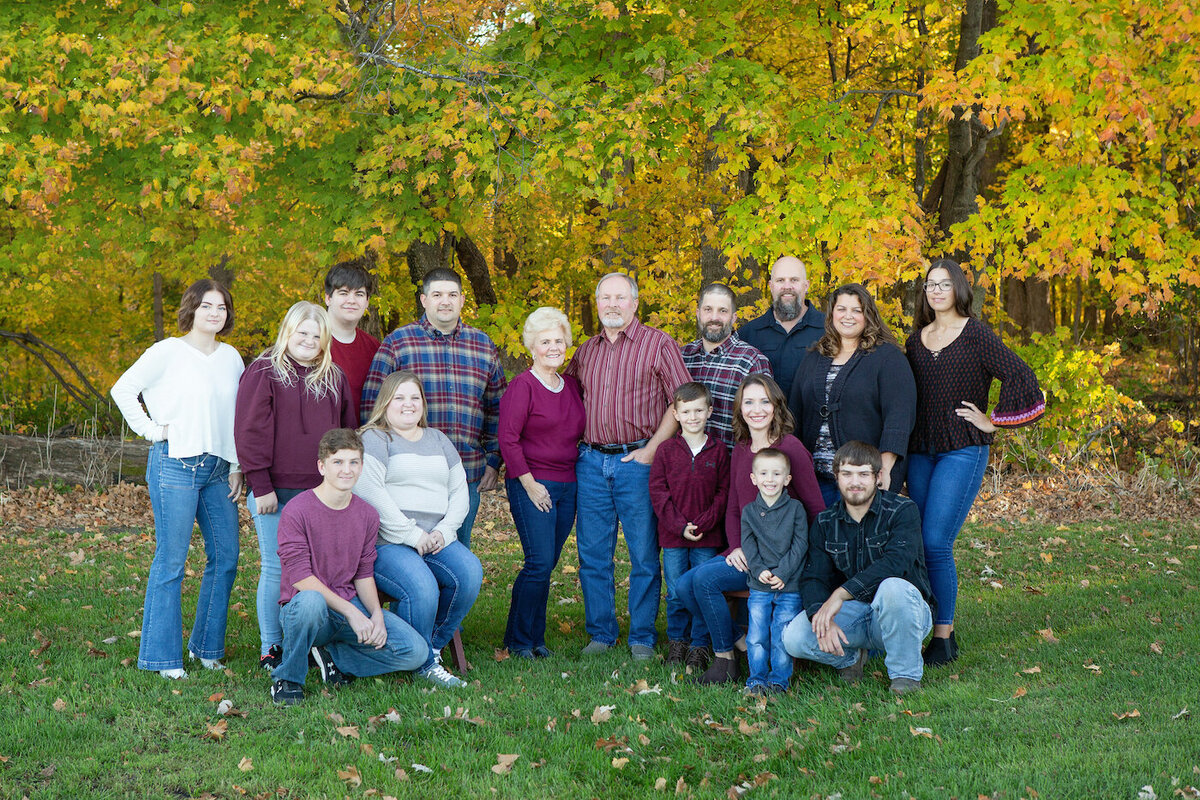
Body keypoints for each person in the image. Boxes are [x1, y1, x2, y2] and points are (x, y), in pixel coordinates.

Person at [906, 258, 1045, 666]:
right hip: (920, 452)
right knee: (916, 541)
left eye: (944, 284)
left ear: (959, 290)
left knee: (936, 541)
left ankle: (944, 637)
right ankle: (917, 624)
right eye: (930, 284)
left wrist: (993, 421)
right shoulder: (916, 341)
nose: (935, 291)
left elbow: (1020, 374)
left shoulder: (976, 334)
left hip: (963, 448)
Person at [111, 279, 244, 679]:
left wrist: (237, 464)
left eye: (221, 307)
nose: (214, 313)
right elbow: (122, 388)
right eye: (207, 306)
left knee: (226, 557)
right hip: (176, 464)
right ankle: (161, 657)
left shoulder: (232, 358)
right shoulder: (168, 351)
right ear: (192, 309)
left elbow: (235, 417)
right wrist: (153, 430)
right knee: (172, 560)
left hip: (219, 469)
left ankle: (206, 648)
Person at [564, 272, 693, 660]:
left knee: (642, 554)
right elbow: (565, 397)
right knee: (593, 555)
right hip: (590, 462)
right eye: (606, 298)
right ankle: (601, 634)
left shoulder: (659, 345)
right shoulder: (585, 351)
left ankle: (641, 636)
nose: (613, 304)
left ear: (635, 303)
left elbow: (681, 401)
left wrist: (653, 449)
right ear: (598, 303)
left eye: (621, 297)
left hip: (638, 461)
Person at [679, 374, 824, 684]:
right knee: (682, 586)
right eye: (749, 402)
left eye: (764, 402)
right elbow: (733, 506)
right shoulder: (742, 448)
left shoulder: (790, 449)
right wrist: (736, 548)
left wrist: (804, 562)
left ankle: (723, 661)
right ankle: (739, 644)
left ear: (776, 406)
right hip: (748, 553)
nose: (756, 409)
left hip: (783, 561)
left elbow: (816, 510)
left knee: (704, 579)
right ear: (740, 408)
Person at [235, 301, 357, 671]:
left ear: (325, 340)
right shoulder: (264, 371)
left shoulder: (333, 376)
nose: (308, 339)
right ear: (288, 332)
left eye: (316, 334)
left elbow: (346, 433)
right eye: (302, 332)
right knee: (276, 567)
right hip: (274, 490)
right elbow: (249, 431)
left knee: (315, 571)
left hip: (320, 492)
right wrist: (260, 484)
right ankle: (271, 645)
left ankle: (304, 641)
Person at [269, 428, 427, 705]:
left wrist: (376, 614)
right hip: (306, 612)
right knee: (311, 602)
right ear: (322, 466)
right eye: (338, 462)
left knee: (414, 652)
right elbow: (301, 578)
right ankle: (288, 677)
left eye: (354, 462)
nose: (347, 470)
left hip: (346, 608)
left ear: (362, 466)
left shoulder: (367, 514)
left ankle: (334, 658)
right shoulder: (297, 510)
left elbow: (364, 573)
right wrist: (353, 613)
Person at [359, 268, 507, 549]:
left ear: (463, 300)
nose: (445, 301)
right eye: (437, 295)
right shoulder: (399, 342)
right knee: (406, 554)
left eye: (452, 295)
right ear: (424, 299)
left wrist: (493, 460)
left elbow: (498, 407)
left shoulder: (483, 346)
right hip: (405, 476)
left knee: (456, 553)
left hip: (467, 472)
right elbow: (372, 407)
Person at [353, 370, 480, 688]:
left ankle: (432, 649)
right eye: (399, 397)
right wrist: (413, 535)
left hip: (436, 537)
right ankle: (421, 664)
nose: (408, 404)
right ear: (386, 403)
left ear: (423, 403)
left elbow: (459, 490)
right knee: (422, 586)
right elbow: (372, 494)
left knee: (469, 572)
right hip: (388, 542)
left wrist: (445, 532)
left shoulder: (438, 439)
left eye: (414, 397)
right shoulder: (376, 438)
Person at [782, 441, 934, 695]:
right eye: (847, 474)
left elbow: (896, 563)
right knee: (795, 637)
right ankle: (850, 660)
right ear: (836, 477)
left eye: (864, 474)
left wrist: (840, 594)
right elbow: (813, 577)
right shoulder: (825, 522)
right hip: (858, 616)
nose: (855, 482)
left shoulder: (902, 511)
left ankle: (905, 677)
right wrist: (820, 613)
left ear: (878, 477)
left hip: (905, 615)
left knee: (892, 587)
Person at [498, 307, 586, 659]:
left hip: (569, 484)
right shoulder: (523, 386)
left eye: (558, 340)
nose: (553, 347)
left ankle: (535, 639)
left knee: (547, 563)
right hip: (532, 482)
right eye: (545, 341)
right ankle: (519, 640)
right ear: (531, 347)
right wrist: (530, 485)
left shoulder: (571, 386)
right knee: (538, 562)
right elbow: (508, 439)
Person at [788, 283, 916, 506]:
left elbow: (899, 417)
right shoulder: (815, 356)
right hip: (815, 481)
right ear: (832, 314)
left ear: (868, 315)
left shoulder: (887, 358)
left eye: (856, 310)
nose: (848, 316)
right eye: (842, 309)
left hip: (864, 480)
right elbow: (795, 412)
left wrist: (884, 468)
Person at [648, 382, 730, 667]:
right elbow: (658, 491)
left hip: (707, 538)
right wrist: (679, 526)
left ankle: (699, 644)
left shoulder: (719, 451)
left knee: (701, 590)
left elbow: (723, 494)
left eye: (698, 410)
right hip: (673, 537)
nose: (693, 417)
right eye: (686, 411)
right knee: (675, 593)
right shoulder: (666, 451)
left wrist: (704, 524)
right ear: (676, 413)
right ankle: (677, 641)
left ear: (709, 411)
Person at [741, 448, 808, 695]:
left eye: (777, 473)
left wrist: (783, 572)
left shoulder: (796, 509)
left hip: (789, 585)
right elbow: (748, 545)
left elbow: (800, 544)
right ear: (754, 478)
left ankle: (779, 681)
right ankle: (756, 680)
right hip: (759, 585)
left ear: (787, 479)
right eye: (764, 473)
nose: (770, 479)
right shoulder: (749, 512)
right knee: (757, 635)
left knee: (781, 634)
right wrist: (758, 570)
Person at [681, 283, 773, 449]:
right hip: (686, 466)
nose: (714, 317)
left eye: (723, 311)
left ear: (734, 317)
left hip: (732, 466)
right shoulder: (683, 356)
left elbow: (764, 426)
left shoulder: (752, 361)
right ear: (698, 314)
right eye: (708, 309)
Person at [737, 256, 826, 400]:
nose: (787, 286)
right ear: (771, 286)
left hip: (813, 421)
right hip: (764, 420)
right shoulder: (748, 334)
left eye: (794, 280)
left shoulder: (829, 329)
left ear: (806, 285)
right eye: (780, 280)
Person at [324, 259, 381, 423]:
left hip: (361, 441)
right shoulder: (309, 342)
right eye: (343, 293)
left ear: (367, 302)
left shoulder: (374, 348)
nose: (352, 300)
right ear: (328, 298)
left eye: (359, 294)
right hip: (317, 441)